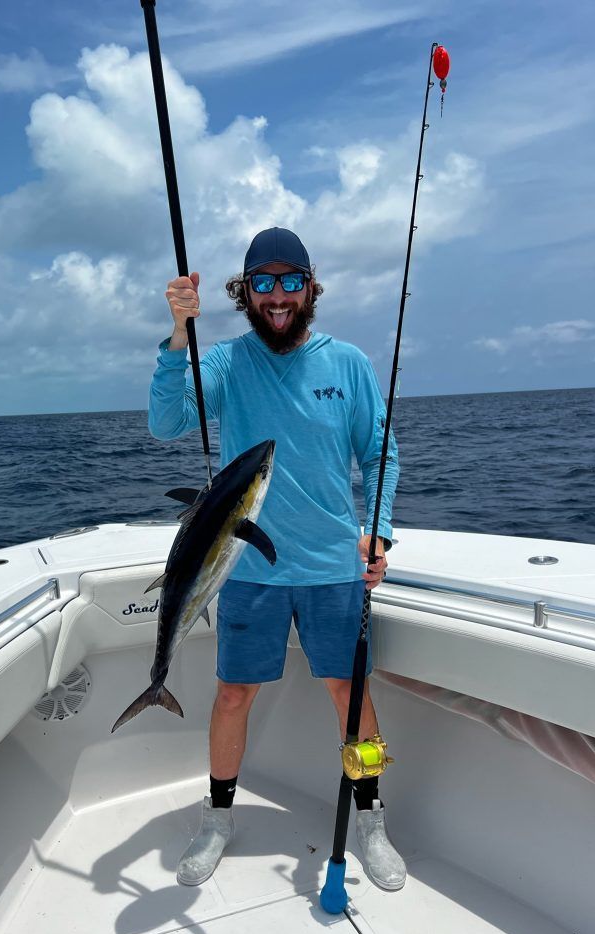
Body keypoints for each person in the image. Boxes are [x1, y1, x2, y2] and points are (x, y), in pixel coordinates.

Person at [148, 226, 404, 892]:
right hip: (247, 568)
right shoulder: (228, 363)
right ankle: (217, 819)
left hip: (331, 566)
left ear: (311, 288)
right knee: (233, 694)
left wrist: (377, 530)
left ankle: (372, 821)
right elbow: (166, 420)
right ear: (245, 293)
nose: (278, 296)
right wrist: (179, 335)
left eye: (292, 281)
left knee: (351, 695)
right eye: (263, 283)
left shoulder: (346, 363)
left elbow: (380, 453)